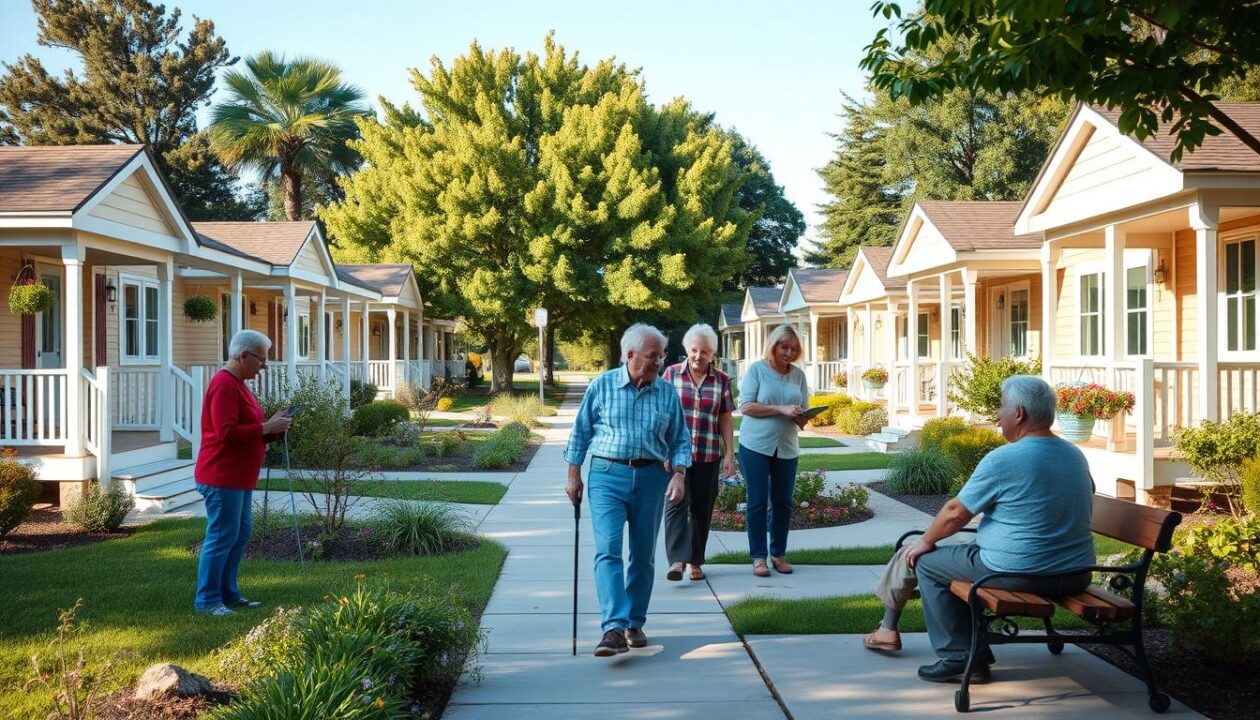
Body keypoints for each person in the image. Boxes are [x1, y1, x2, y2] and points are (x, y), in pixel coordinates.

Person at [863, 375, 1096, 683]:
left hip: (1020, 570)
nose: (997, 415)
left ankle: (960, 657)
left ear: (1019, 413)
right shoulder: (1074, 454)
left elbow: (955, 512)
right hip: (1076, 572)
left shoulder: (1005, 458)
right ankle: (968, 647)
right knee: (947, 556)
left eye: (1001, 407)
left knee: (926, 562)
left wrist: (927, 540)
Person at [565, 323, 691, 657]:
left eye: (661, 356)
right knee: (608, 551)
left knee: (643, 556)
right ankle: (613, 629)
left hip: (651, 477)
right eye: (653, 356)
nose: (658, 363)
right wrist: (573, 475)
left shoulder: (666, 392)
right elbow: (581, 432)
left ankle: (635, 622)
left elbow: (680, 439)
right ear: (630, 354)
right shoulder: (602, 385)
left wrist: (678, 474)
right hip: (607, 475)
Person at [193, 329, 293, 616]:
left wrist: (273, 428)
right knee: (223, 535)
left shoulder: (239, 384)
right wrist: (265, 428)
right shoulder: (224, 384)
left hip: (240, 476)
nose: (264, 366)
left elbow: (250, 430)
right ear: (242, 355)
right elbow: (225, 432)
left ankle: (228, 593)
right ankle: (208, 600)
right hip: (222, 475)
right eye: (261, 359)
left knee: (239, 533)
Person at [661, 323, 736, 583]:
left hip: (707, 454)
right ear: (686, 349)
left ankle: (695, 561)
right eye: (694, 350)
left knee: (702, 509)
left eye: (704, 352)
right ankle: (677, 561)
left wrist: (729, 453)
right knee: (675, 505)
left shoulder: (722, 380)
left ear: (712, 354)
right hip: (675, 456)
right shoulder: (670, 375)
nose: (698, 356)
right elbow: (661, 414)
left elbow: (725, 417)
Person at [737, 324, 810, 578]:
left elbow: (801, 410)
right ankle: (758, 558)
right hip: (755, 445)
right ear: (774, 346)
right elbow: (745, 407)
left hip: (787, 447)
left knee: (783, 502)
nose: (788, 353)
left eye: (793, 348)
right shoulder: (757, 370)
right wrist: (781, 409)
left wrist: (802, 416)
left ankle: (778, 554)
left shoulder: (798, 376)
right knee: (757, 501)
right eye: (784, 347)